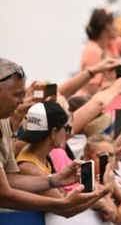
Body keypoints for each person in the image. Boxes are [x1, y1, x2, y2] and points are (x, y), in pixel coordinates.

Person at [0, 58, 103, 217]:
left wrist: (54, 180)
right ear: (54, 132)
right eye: (16, 95)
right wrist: (61, 204)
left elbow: (9, 180)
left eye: (23, 94)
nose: (21, 101)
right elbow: (4, 194)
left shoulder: (4, 123)